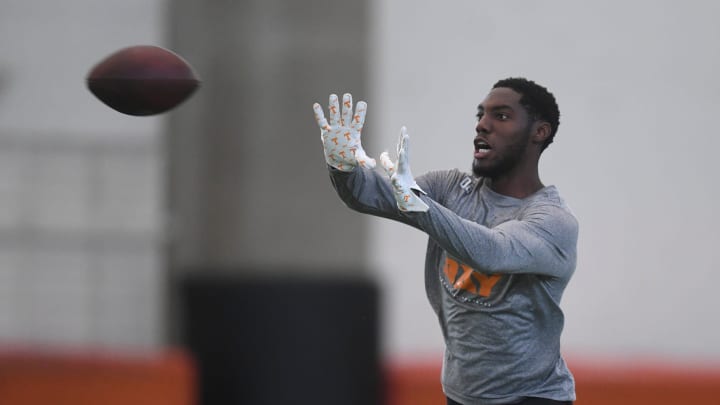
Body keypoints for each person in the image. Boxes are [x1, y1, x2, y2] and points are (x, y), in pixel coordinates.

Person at [312, 78, 577, 405]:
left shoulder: (552, 221)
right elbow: (369, 196)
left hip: (530, 398)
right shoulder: (450, 188)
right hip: (460, 396)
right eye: (481, 114)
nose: (483, 124)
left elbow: (491, 252)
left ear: (539, 132)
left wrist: (422, 207)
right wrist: (343, 168)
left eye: (502, 116)